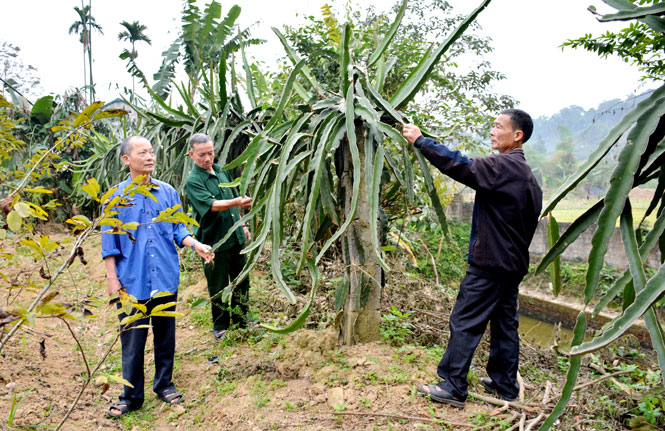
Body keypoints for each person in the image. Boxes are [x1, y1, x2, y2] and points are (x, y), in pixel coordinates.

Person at [402, 109, 542, 407]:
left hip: (490, 265)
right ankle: (505, 384)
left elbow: (462, 166)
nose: (492, 131)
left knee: (465, 320)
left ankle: (453, 386)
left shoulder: (505, 166)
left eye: (497, 127)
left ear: (517, 135)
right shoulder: (527, 175)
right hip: (512, 264)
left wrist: (421, 142)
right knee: (505, 323)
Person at [101, 136, 213, 418]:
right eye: (142, 152)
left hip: (164, 276)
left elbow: (178, 230)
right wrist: (113, 280)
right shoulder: (115, 198)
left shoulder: (167, 192)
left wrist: (195, 243)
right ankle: (130, 396)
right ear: (127, 159)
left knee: (166, 337)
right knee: (132, 341)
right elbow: (109, 244)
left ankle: (164, 384)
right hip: (131, 281)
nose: (150, 157)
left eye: (152, 152)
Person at [185, 133, 253, 340]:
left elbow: (232, 196)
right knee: (218, 284)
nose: (207, 159)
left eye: (210, 153)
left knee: (242, 279)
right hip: (213, 241)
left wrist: (243, 224)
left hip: (235, 236)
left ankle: (243, 319)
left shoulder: (222, 171)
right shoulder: (193, 180)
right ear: (191, 155)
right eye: (202, 155)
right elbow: (211, 205)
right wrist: (238, 203)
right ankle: (221, 325)